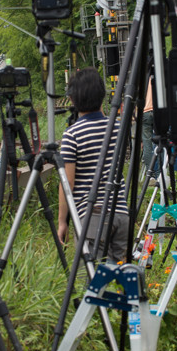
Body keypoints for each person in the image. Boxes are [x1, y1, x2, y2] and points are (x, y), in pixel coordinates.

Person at [58, 67, 131, 263]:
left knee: (91, 281)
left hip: (92, 218)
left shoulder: (72, 135)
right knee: (119, 279)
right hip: (121, 213)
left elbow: (68, 183)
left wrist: (61, 222)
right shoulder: (117, 127)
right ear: (103, 95)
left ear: (72, 100)